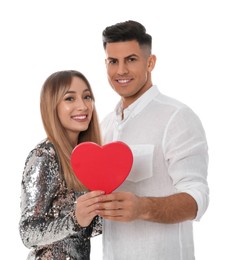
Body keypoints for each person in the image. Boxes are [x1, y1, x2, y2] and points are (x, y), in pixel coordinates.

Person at [97, 20, 209, 260]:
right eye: (113, 62)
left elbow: (197, 198)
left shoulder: (176, 117)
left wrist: (143, 208)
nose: (121, 71)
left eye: (131, 59)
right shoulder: (104, 126)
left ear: (150, 62)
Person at [19, 70, 104, 260]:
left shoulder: (85, 158)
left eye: (87, 97)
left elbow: (85, 230)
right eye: (70, 99)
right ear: (52, 106)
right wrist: (75, 219)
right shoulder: (44, 157)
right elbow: (28, 233)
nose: (83, 106)